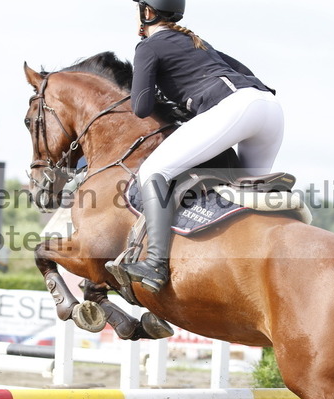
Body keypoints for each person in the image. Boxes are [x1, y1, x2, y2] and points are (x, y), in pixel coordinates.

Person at [118, 0, 285, 293]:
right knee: (246, 197)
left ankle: (155, 264)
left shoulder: (148, 47)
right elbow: (245, 71)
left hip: (237, 109)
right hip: (269, 109)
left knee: (153, 172)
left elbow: (141, 107)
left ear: (147, 13)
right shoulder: (197, 41)